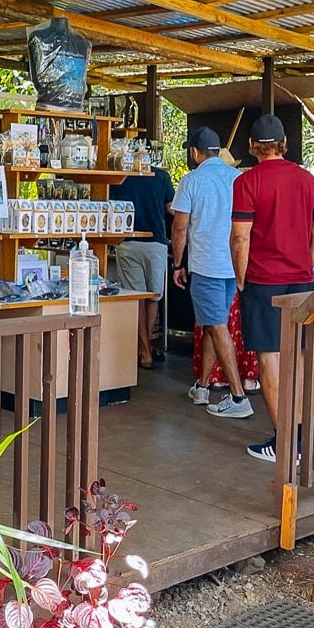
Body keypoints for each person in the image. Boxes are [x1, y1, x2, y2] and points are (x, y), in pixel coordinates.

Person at [230, 114, 314, 463]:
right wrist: (306, 263)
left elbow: (240, 236)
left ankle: (286, 444)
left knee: (269, 357)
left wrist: (241, 277)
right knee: (297, 355)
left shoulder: (247, 182)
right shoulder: (309, 181)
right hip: (301, 280)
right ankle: (298, 435)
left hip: (262, 279)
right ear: (284, 143)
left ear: (253, 146)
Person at [170, 126, 251, 418]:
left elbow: (180, 228)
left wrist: (178, 263)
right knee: (211, 322)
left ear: (194, 152)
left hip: (205, 265)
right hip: (232, 265)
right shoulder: (238, 178)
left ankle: (239, 397)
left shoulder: (190, 181)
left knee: (216, 325)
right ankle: (202, 387)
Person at [111, 162, 174, 369]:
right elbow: (170, 207)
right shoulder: (162, 176)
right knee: (154, 296)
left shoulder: (121, 175)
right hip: (156, 242)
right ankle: (145, 348)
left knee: (136, 297)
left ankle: (143, 348)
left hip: (126, 242)